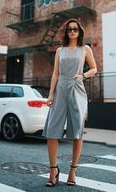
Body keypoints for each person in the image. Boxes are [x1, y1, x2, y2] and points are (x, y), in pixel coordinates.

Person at [42, 18, 97, 187]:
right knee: (52, 130)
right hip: (60, 89)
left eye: (75, 29)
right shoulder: (60, 51)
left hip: (77, 88)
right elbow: (55, 74)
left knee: (77, 131)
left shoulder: (85, 49)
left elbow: (94, 68)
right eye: (69, 29)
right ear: (66, 32)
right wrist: (50, 95)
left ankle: (73, 170)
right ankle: (53, 169)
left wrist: (83, 76)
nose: (72, 31)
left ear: (79, 32)